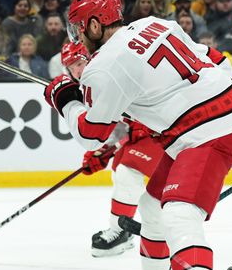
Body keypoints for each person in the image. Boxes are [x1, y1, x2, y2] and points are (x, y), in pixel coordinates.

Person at [45, 0, 232, 270]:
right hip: (214, 114)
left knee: (180, 213)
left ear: (92, 24)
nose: (77, 39)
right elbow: (209, 63)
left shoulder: (104, 65)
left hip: (206, 131)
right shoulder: (154, 23)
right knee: (152, 207)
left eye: (77, 29)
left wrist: (65, 98)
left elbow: (91, 134)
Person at [60, 41, 166, 257]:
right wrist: (105, 150)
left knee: (129, 170)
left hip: (163, 131)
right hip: (147, 134)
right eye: (71, 67)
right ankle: (122, 231)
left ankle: (125, 231)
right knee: (123, 170)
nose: (77, 71)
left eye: (80, 63)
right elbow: (118, 125)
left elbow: (143, 102)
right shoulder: (90, 86)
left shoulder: (109, 71)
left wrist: (133, 131)